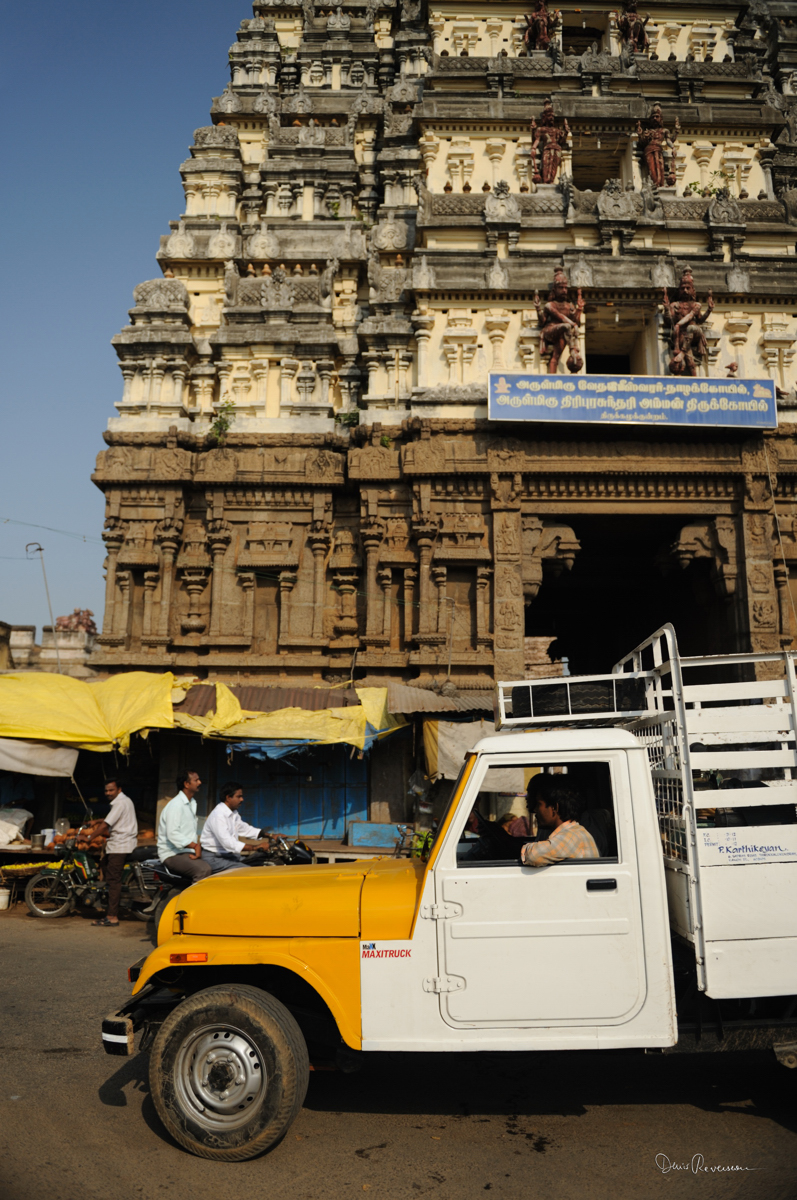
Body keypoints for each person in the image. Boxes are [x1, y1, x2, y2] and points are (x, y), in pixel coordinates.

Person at [91, 777, 138, 927]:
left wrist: (89, 837)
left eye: (111, 790)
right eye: (106, 790)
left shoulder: (119, 802)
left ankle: (112, 916)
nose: (108, 793)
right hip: (120, 844)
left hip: (120, 846)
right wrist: (98, 821)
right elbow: (111, 820)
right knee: (105, 868)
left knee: (113, 881)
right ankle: (109, 903)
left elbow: (106, 825)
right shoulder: (124, 801)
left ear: (119, 790)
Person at [521, 780, 599, 866]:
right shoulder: (573, 832)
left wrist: (524, 849)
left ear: (554, 807)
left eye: (539, 804)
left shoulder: (572, 836)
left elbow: (534, 856)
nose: (535, 809)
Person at [200, 782, 268, 874]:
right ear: (228, 797)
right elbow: (228, 843)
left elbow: (245, 829)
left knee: (263, 860)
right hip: (215, 858)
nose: (242, 799)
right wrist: (255, 847)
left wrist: (270, 835)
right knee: (249, 872)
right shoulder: (218, 815)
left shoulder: (233, 813)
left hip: (229, 855)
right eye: (238, 796)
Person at [157, 770, 211, 882]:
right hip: (172, 853)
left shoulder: (191, 803)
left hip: (185, 852)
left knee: (216, 865)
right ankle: (193, 899)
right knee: (203, 870)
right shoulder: (176, 805)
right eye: (196, 780)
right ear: (186, 784)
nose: (200, 782)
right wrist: (195, 846)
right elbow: (173, 834)